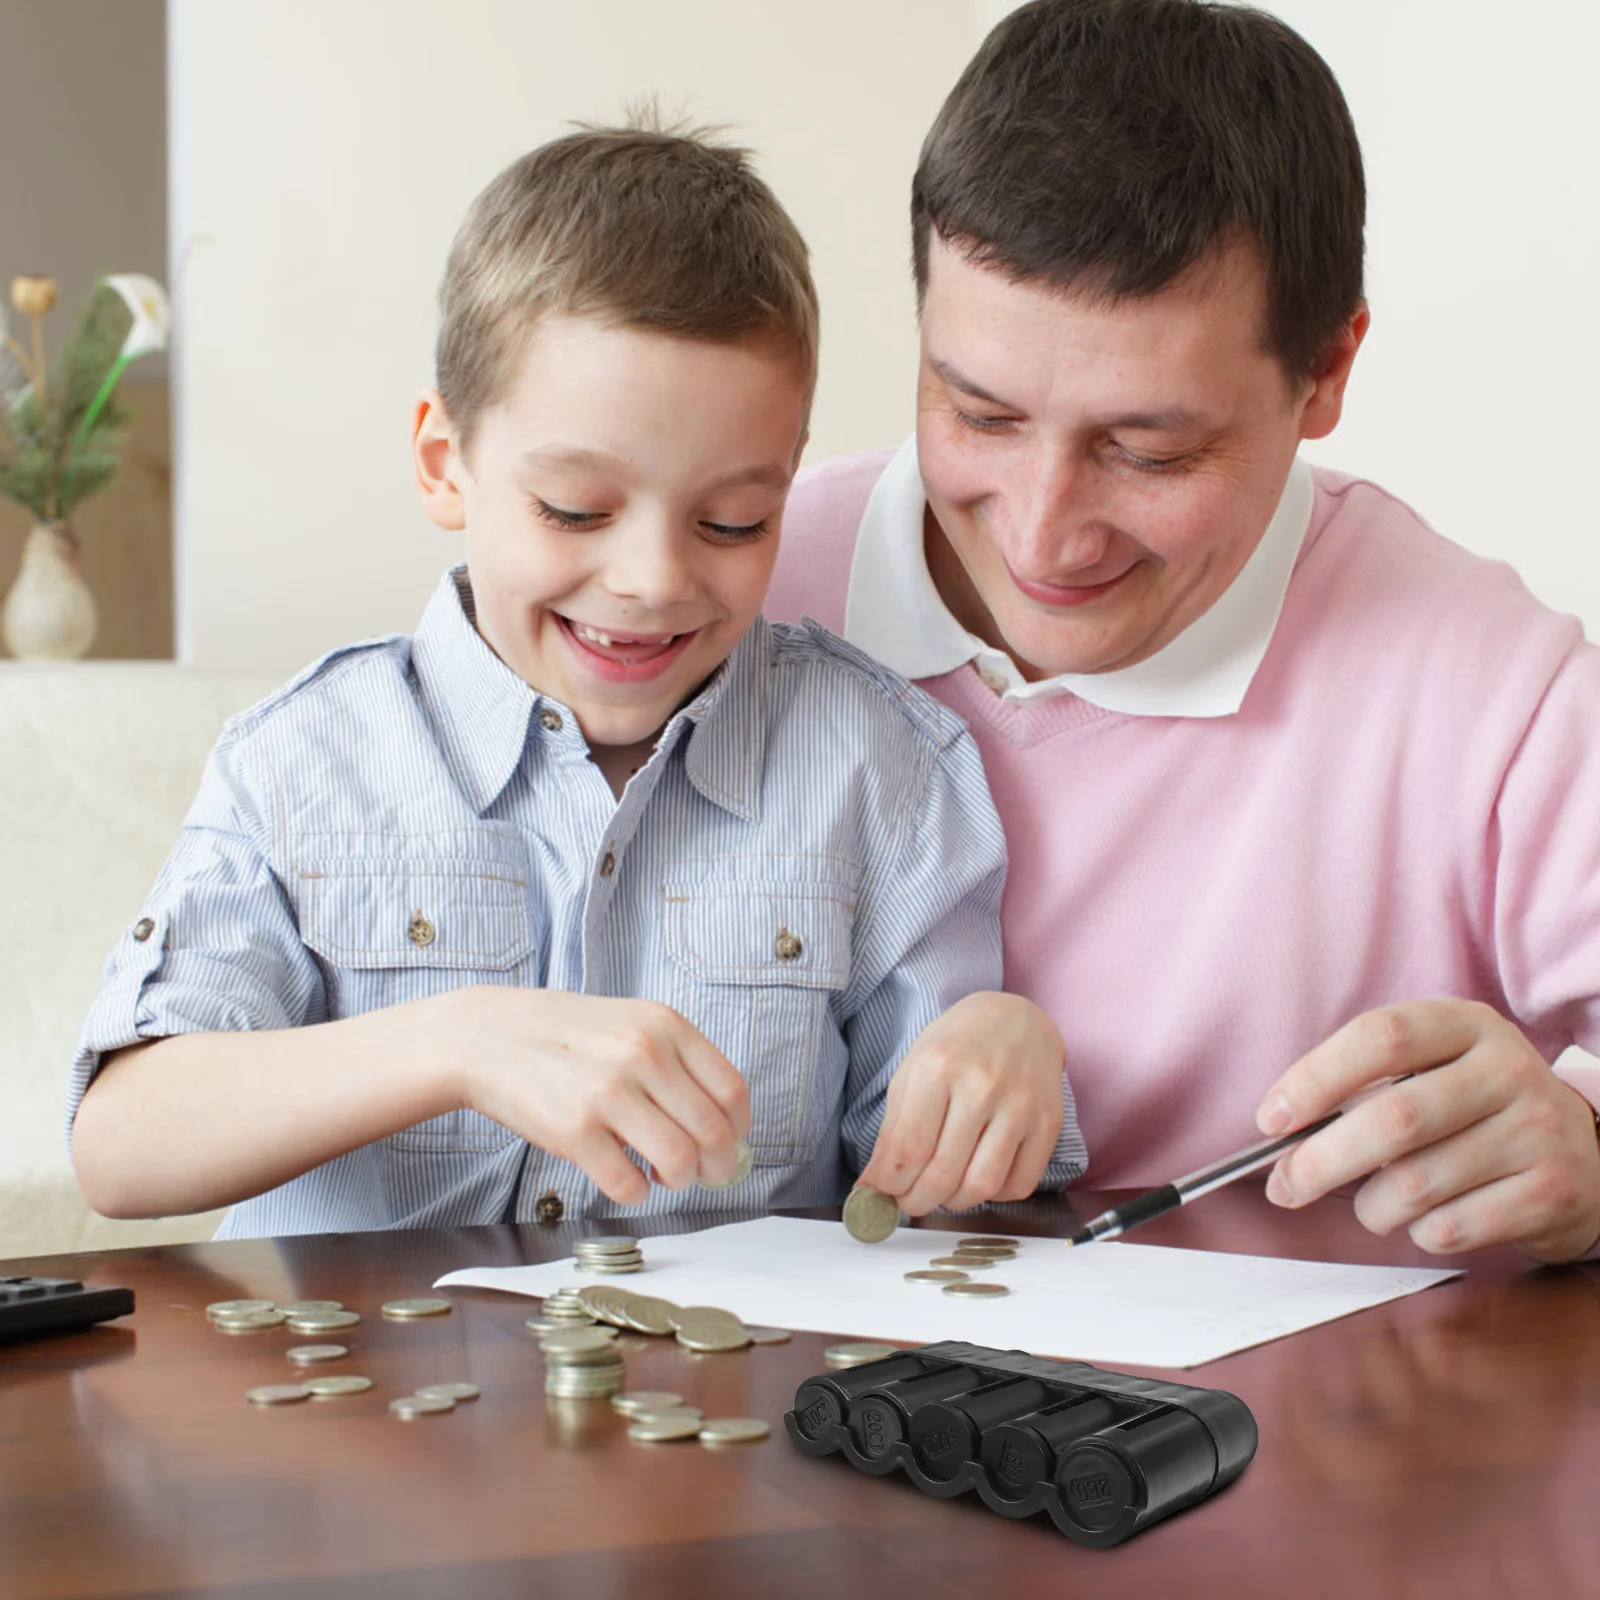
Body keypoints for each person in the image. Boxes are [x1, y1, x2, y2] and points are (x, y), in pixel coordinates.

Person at [67, 123, 1084, 1238]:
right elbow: (120, 1146)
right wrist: (453, 1043)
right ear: (444, 463)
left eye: (732, 521)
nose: (653, 581)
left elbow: (934, 1201)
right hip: (362, 1356)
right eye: (575, 510)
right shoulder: (307, 760)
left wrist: (1004, 1057)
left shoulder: (880, 769)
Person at [771, 0, 1600, 1262]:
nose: (1042, 536)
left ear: (1326, 372)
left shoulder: (1492, 693)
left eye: (1148, 450)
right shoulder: (727, 588)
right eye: (980, 415)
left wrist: (1589, 1155)